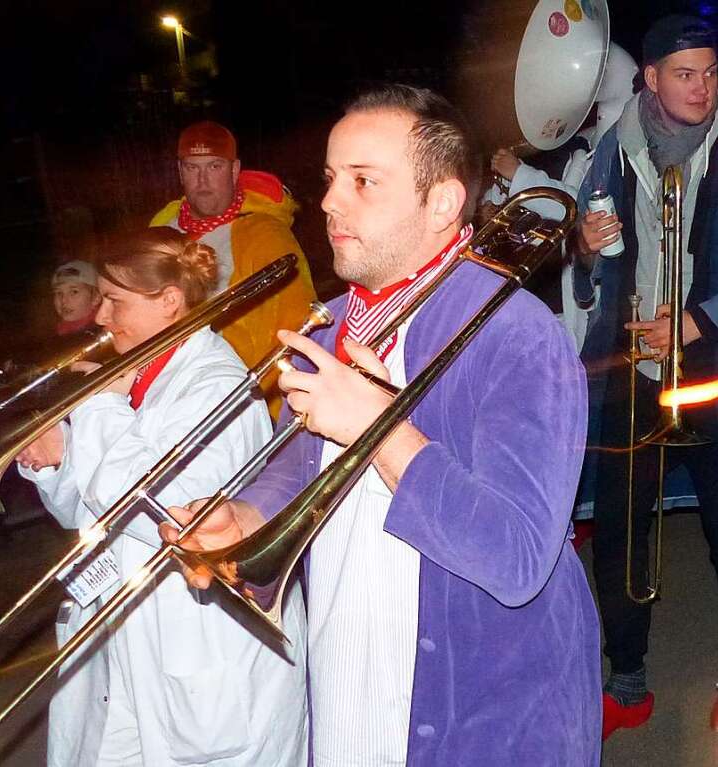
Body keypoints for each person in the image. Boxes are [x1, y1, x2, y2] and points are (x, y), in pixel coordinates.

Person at [164, 84, 600, 765]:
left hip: (478, 721)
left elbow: (517, 556)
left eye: (364, 181)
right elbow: (294, 465)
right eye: (333, 179)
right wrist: (245, 519)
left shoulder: (519, 335)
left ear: (443, 202)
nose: (332, 202)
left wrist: (380, 426)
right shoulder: (332, 324)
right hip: (350, 699)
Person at [571, 14, 718, 738]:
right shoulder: (615, 147)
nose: (703, 87)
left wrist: (698, 321)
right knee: (621, 528)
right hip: (634, 363)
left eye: (710, 72)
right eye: (685, 73)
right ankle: (628, 678)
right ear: (650, 79)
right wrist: (585, 246)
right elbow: (588, 255)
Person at [16, 229, 307, 767]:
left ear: (169, 301)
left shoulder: (217, 385)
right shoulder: (136, 376)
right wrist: (57, 460)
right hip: (123, 636)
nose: (100, 316)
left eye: (115, 301)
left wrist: (100, 407)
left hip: (200, 648)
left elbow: (148, 509)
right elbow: (81, 513)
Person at [150, 120, 317, 410]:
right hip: (163, 393)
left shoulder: (265, 234)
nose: (202, 181)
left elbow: (298, 325)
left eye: (214, 167)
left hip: (234, 398)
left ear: (234, 170)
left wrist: (266, 404)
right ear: (179, 171)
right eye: (192, 168)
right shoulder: (161, 228)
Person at [485, 42, 638, 351]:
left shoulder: (618, 152)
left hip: (573, 311)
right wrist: (495, 216)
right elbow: (541, 225)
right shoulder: (575, 145)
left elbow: (579, 209)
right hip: (530, 303)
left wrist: (522, 176)